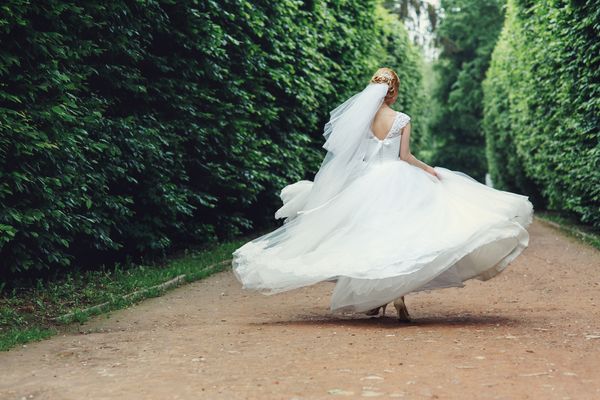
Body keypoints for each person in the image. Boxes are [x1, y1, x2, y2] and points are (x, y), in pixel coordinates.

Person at [231, 67, 533, 321]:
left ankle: (376, 298)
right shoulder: (401, 120)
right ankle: (395, 295)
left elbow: (353, 157)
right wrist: (430, 170)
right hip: (398, 179)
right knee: (399, 237)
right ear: (395, 92)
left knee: (368, 238)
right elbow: (405, 157)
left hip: (367, 180)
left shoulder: (360, 121)